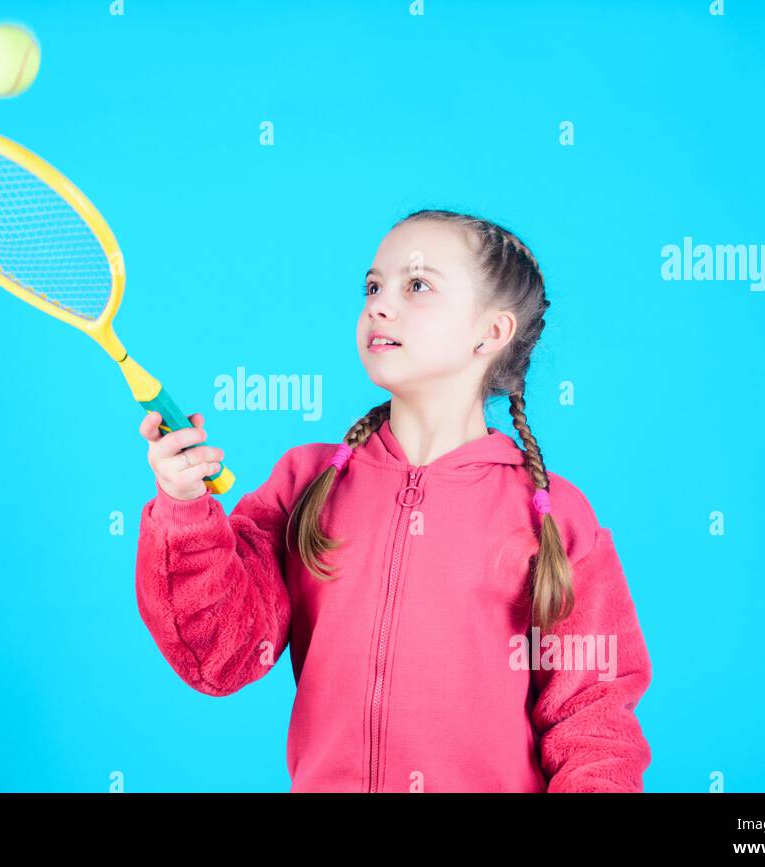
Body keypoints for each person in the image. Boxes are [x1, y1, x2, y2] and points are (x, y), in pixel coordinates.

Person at [135, 209, 652, 792]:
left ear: (492, 332)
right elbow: (218, 655)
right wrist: (184, 510)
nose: (380, 305)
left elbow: (594, 717)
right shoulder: (306, 482)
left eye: (418, 285)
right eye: (374, 287)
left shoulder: (552, 515)